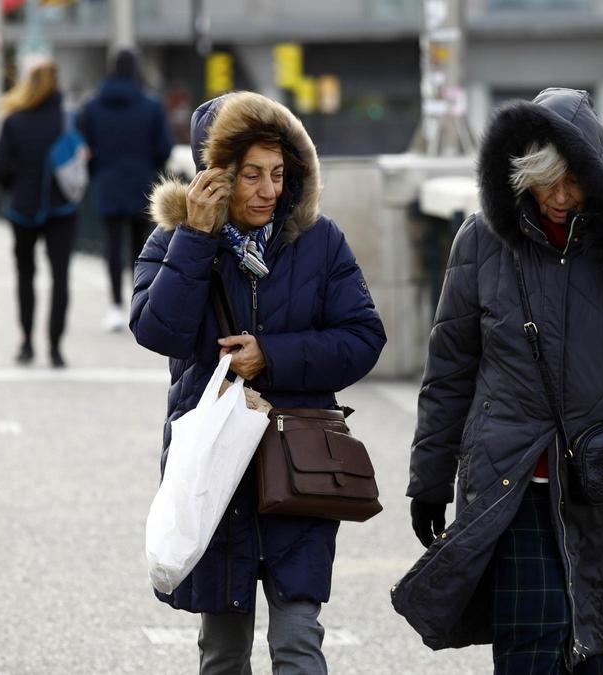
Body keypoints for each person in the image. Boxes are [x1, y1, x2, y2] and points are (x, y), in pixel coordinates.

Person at [403, 88, 603, 674]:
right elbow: (450, 371)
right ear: (521, 174)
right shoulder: (481, 241)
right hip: (511, 481)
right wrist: (430, 479)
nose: (563, 197)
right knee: (527, 643)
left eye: (576, 181)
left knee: (590, 639)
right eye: (548, 181)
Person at [131, 91, 386, 674]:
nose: (269, 190)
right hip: (216, 470)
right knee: (222, 652)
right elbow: (156, 329)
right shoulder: (174, 242)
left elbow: (364, 337)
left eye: (278, 173)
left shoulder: (320, 241)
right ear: (214, 176)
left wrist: (270, 355)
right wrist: (195, 240)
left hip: (300, 461)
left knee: (298, 642)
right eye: (251, 175)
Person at [77, 49, 173, 332]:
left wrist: (98, 171)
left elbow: (83, 146)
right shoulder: (151, 106)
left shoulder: (93, 107)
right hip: (142, 183)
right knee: (140, 247)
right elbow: (164, 148)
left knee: (111, 245)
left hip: (107, 183)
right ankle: (138, 303)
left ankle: (115, 306)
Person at [0, 59, 76, 368]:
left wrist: (15, 184)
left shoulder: (14, 120)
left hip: (23, 208)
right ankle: (55, 346)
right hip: (62, 207)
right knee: (60, 277)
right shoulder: (66, 119)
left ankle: (26, 341)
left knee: (25, 274)